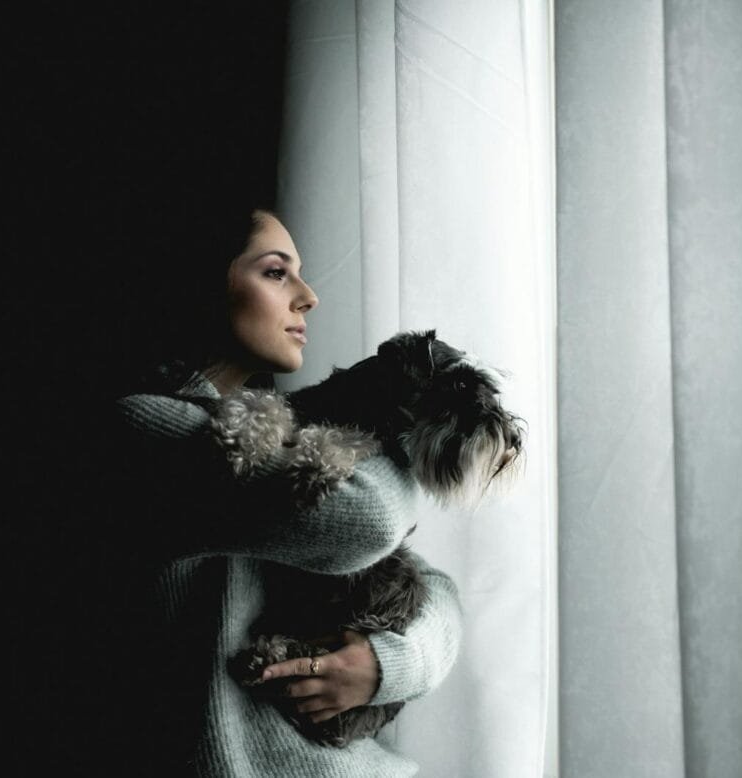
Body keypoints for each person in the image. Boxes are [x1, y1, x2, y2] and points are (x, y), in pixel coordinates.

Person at [85, 208, 461, 777]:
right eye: (275, 272)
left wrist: (386, 666)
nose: (307, 296)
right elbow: (369, 523)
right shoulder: (141, 432)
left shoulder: (283, 429)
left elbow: (437, 590)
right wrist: (409, 423)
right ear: (202, 286)